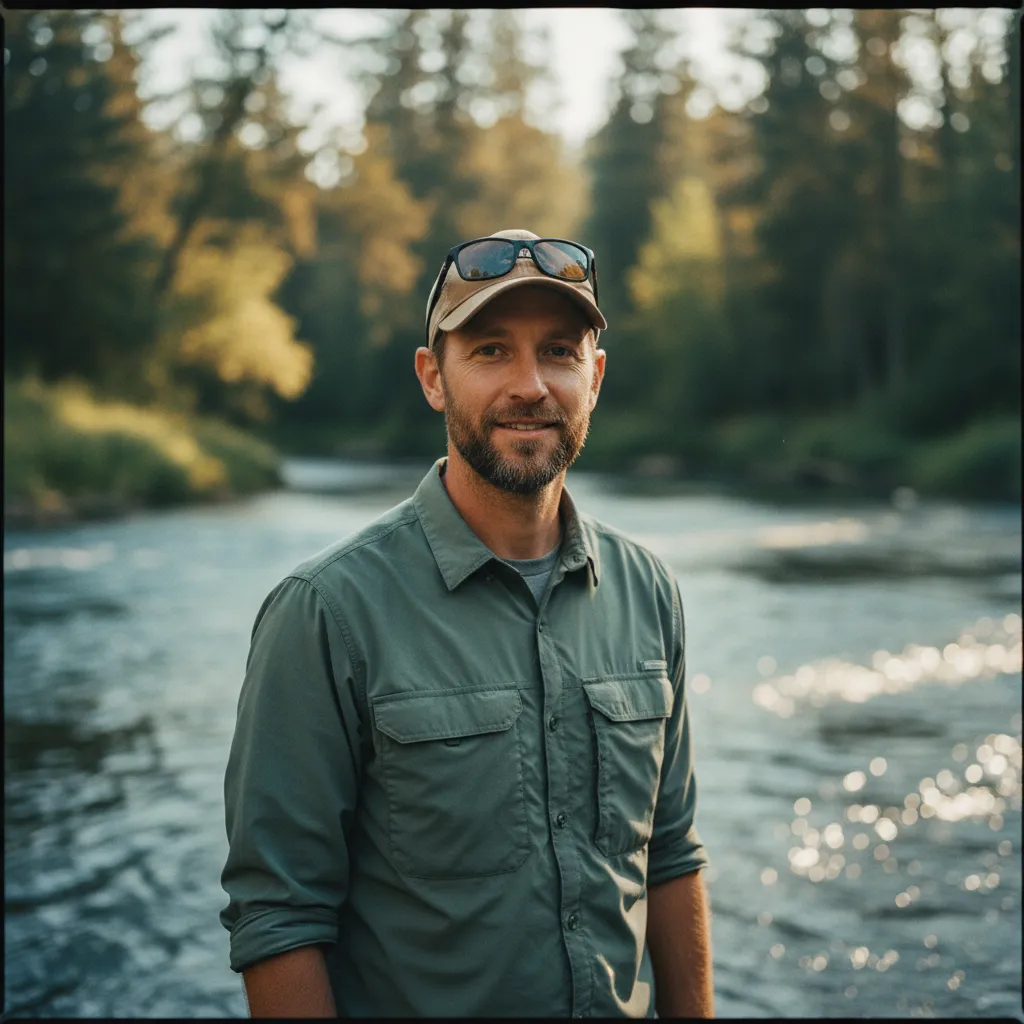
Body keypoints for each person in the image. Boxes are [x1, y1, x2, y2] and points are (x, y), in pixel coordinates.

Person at [220, 228, 713, 1018]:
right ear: (432, 378)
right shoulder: (325, 613)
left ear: (596, 377)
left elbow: (671, 855)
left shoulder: (648, 590)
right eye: (489, 351)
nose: (530, 386)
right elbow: (279, 917)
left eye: (558, 351)